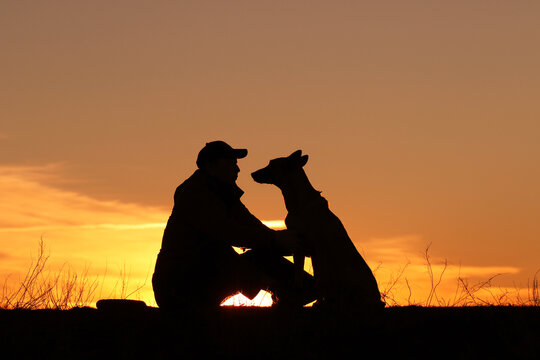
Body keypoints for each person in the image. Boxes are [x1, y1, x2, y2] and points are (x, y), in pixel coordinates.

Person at [152, 141, 315, 309]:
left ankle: (305, 290)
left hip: (203, 276)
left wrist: (292, 242)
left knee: (264, 256)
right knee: (223, 253)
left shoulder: (225, 194)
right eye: (231, 163)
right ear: (211, 166)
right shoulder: (195, 194)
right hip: (178, 286)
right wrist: (275, 239)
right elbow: (228, 232)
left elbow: (255, 229)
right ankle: (288, 301)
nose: (237, 169)